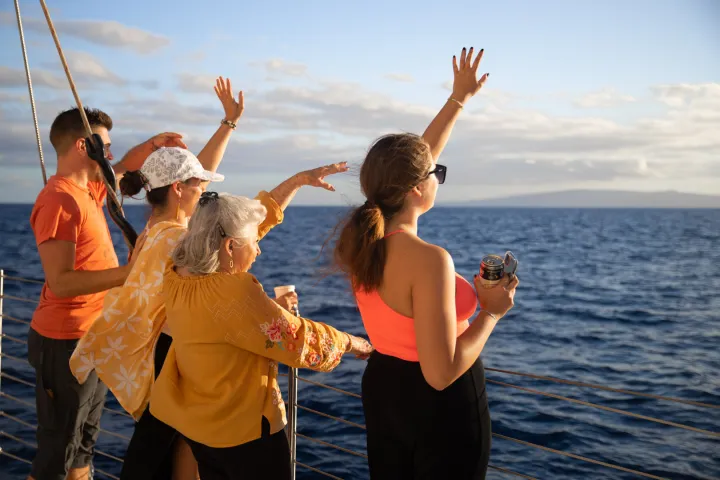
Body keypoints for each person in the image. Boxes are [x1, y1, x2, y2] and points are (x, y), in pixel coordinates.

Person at [331, 47, 519, 479]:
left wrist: (457, 100)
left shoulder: (366, 241)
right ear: (417, 189)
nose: (438, 178)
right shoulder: (430, 260)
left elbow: (417, 160)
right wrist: (490, 312)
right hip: (439, 407)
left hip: (385, 389)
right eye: (436, 174)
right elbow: (441, 374)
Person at [69, 76, 244, 480]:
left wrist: (228, 124)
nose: (205, 191)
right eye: (198, 187)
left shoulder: (155, 228)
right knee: (159, 453)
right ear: (179, 189)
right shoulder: (178, 240)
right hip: (170, 361)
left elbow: (196, 173)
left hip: (154, 356)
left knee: (168, 448)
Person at [147, 188, 374, 480]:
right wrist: (350, 342)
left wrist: (268, 309)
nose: (259, 249)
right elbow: (297, 338)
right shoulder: (235, 290)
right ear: (229, 247)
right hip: (244, 431)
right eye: (254, 242)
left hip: (200, 428)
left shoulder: (175, 274)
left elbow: (221, 323)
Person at [26, 103, 185, 480]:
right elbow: (61, 281)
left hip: (91, 335)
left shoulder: (90, 188)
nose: (111, 154)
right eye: (105, 145)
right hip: (64, 341)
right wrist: (129, 274)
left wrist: (152, 145)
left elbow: (122, 168)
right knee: (56, 454)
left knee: (83, 446)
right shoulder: (60, 200)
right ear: (84, 147)